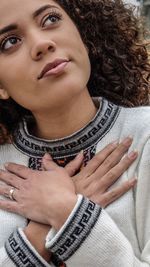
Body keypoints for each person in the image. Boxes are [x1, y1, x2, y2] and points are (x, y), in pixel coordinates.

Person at [0, 0, 149, 266]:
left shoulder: (144, 136)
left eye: (50, 19)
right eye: (10, 42)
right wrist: (41, 229)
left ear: (81, 34)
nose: (41, 44)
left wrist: (66, 210)